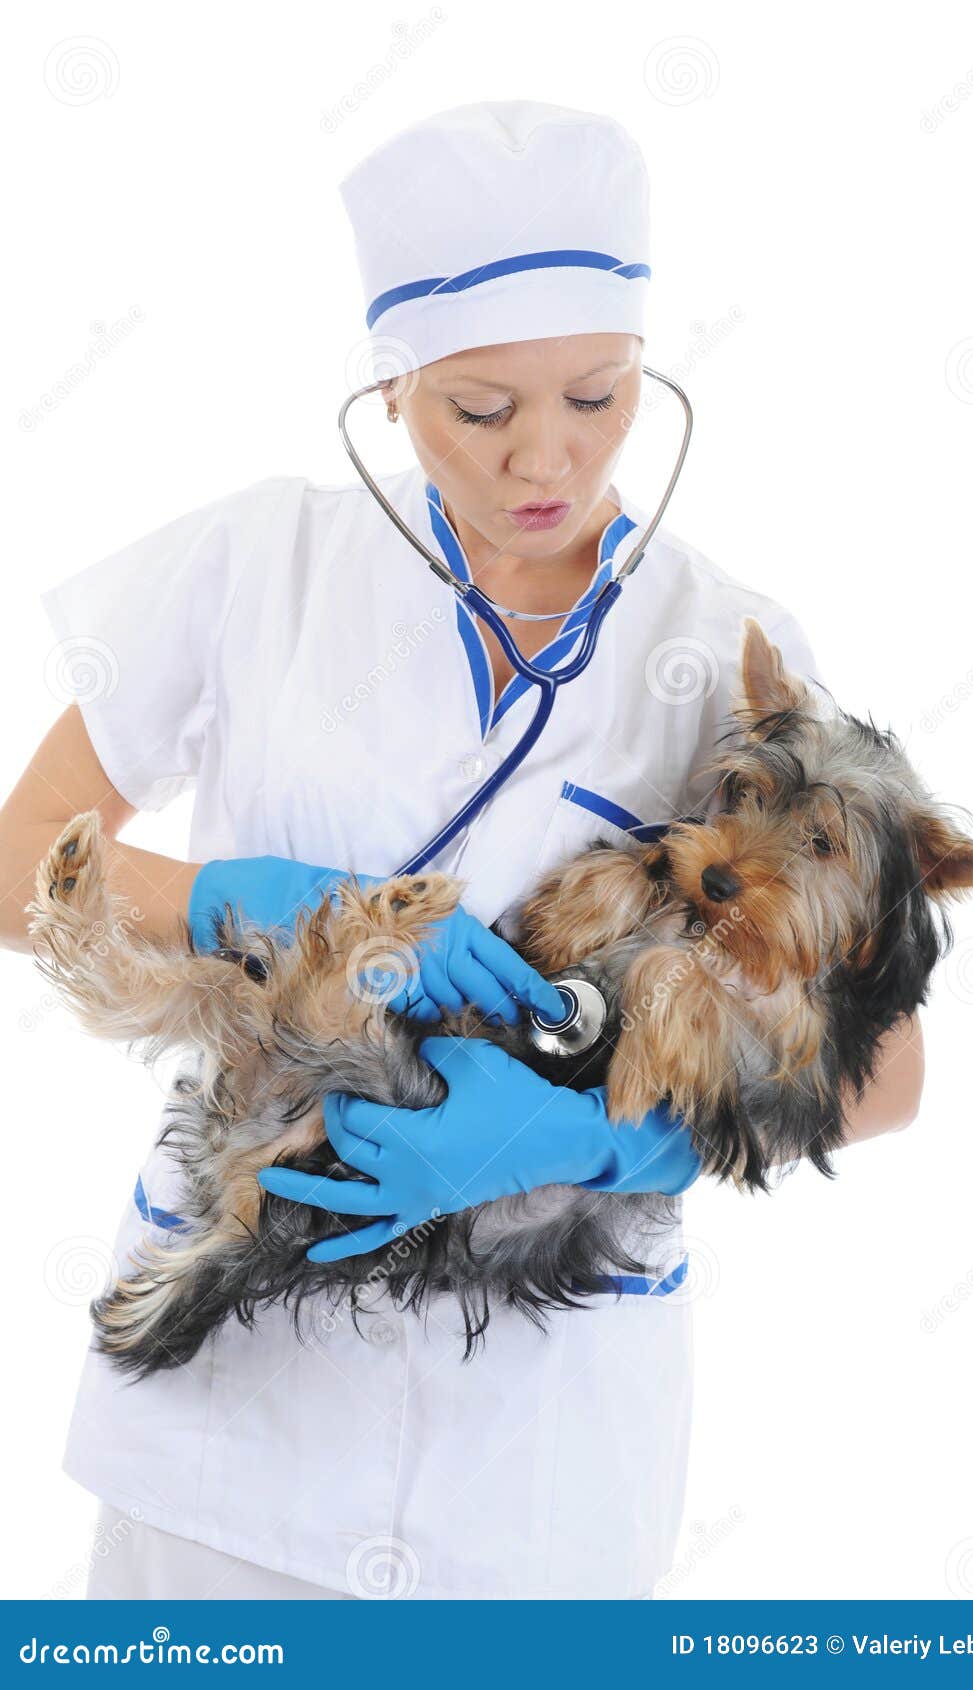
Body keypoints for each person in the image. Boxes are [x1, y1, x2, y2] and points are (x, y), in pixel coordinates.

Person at [0, 100, 924, 1601]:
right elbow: (18, 860)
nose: (541, 458)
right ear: (390, 389)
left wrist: (597, 1137)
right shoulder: (252, 565)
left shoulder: (726, 651)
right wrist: (247, 903)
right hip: (225, 1426)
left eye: (599, 394)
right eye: (479, 410)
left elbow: (882, 1072)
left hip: (541, 1477)